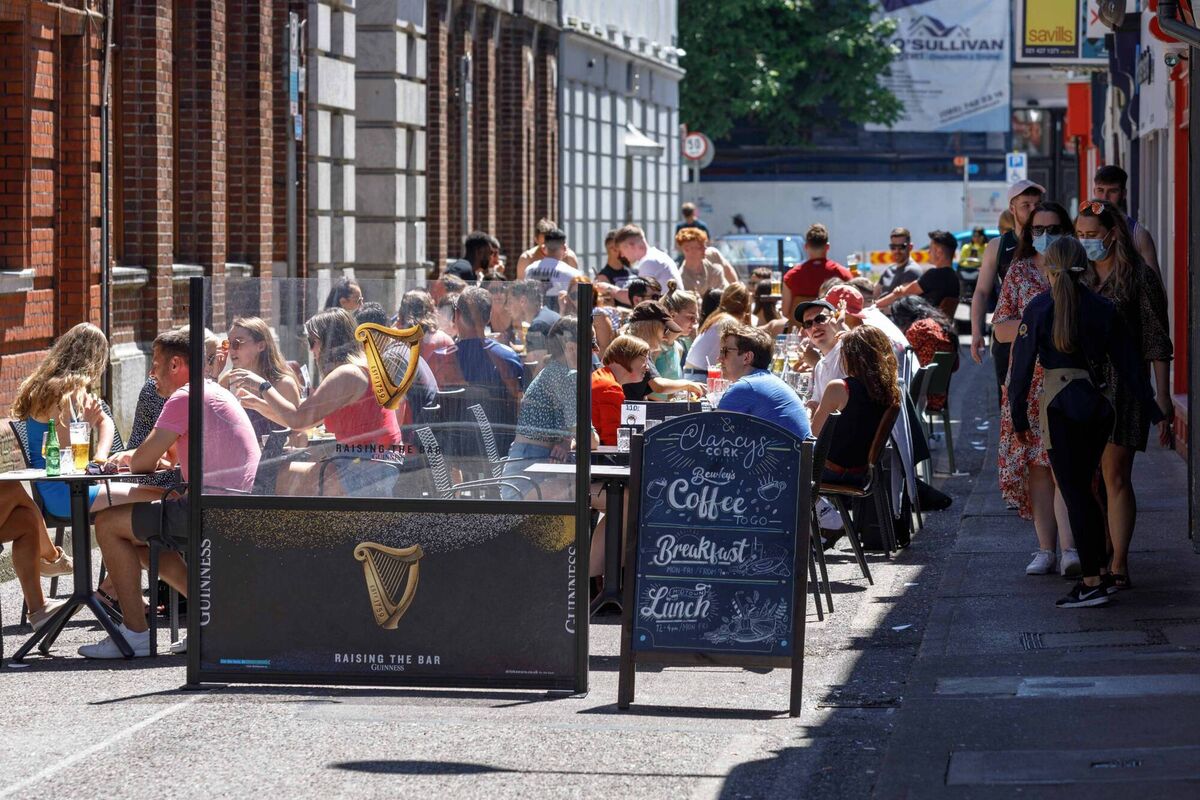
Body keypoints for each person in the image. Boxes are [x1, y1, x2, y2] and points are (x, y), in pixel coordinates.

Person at [80, 328, 261, 658]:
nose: (151, 374)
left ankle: (133, 634)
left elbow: (144, 462)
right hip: (231, 503)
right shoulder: (211, 392)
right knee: (140, 537)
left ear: (176, 364)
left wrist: (127, 458)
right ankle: (217, 617)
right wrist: (141, 459)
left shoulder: (183, 397)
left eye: (156, 364)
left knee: (108, 523)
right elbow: (174, 460)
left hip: (206, 506)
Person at [1009, 237, 1154, 608]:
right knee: (1087, 491)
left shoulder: (1040, 308)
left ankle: (1091, 580)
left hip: (1059, 405)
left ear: (1049, 268)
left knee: (1076, 495)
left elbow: (1022, 370)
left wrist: (1018, 415)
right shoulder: (1103, 307)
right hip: (1098, 404)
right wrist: (1151, 407)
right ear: (1083, 266)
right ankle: (1100, 573)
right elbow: (1129, 364)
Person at [1075, 199, 1173, 590]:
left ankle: (1119, 561)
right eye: (1080, 236)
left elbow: (1156, 338)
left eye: (1093, 236)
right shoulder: (1075, 276)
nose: (1086, 243)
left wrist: (1162, 396)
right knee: (1088, 477)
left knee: (1115, 473)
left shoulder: (1138, 278)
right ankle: (1097, 549)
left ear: (1113, 235)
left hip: (1124, 388)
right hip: (1080, 387)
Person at [233, 308, 403, 497]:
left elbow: (300, 420)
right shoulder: (361, 368)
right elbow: (299, 422)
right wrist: (257, 404)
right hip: (375, 465)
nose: (311, 349)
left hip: (364, 469)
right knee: (279, 471)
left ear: (330, 341)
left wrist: (263, 386)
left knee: (267, 475)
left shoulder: (347, 374)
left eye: (312, 342)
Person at [992, 201, 1077, 576]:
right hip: (1027, 381)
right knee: (1037, 468)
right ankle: (1046, 549)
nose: (1045, 236)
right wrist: (1039, 323)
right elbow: (1000, 328)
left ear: (1067, 230)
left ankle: (1071, 548)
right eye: (1038, 229)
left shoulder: (1080, 271)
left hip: (1070, 380)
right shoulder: (1020, 270)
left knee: (1066, 464)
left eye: (1054, 228)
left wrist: (1032, 326)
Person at [11, 322, 162, 519]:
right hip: (62, 493)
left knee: (162, 495)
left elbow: (105, 421)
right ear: (94, 359)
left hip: (81, 485)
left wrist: (99, 459)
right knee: (163, 497)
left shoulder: (76, 389)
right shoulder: (57, 393)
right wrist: (87, 425)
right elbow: (66, 457)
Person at [970, 180, 1045, 396]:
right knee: (1009, 403)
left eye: (1037, 205)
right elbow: (982, 292)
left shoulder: (1051, 242)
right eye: (1025, 205)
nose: (1032, 210)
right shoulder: (998, 246)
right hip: (1009, 333)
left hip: (1045, 333)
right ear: (1012, 209)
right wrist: (976, 332)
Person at [811, 325, 900, 486]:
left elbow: (812, 434)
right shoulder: (890, 391)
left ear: (848, 356)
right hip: (862, 472)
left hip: (831, 472)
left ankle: (822, 511)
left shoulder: (838, 388)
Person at [502, 316, 580, 498]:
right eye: (592, 344)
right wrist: (569, 440)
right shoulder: (566, 376)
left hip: (528, 470)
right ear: (571, 347)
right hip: (526, 482)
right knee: (589, 494)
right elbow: (589, 438)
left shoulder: (553, 370)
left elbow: (571, 432)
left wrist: (566, 441)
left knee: (585, 492)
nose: (597, 350)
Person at [444, 287, 525, 455]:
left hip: (453, 450)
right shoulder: (508, 358)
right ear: (488, 318)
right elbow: (520, 406)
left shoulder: (442, 361)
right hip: (501, 447)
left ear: (457, 316)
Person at [717, 324, 811, 440]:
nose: (719, 358)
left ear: (747, 357)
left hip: (784, 457)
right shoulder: (767, 381)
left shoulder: (745, 387)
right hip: (795, 455)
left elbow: (713, 436)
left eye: (725, 351)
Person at [217, 316, 303, 441]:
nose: (231, 350)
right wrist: (213, 375)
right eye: (228, 344)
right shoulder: (228, 380)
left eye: (237, 343)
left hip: (276, 458)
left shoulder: (284, 384)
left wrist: (258, 404)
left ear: (261, 346)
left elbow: (299, 431)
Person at [621, 301, 705, 401]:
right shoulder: (634, 348)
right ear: (651, 329)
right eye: (664, 329)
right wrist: (688, 384)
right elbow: (659, 386)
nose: (665, 336)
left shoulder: (634, 345)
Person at [891, 296, 958, 413]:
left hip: (920, 396)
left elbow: (900, 355)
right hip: (938, 396)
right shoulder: (941, 324)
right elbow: (955, 366)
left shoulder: (919, 328)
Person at [876, 230, 961, 318]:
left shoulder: (934, 275)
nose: (928, 252)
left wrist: (874, 306)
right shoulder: (954, 278)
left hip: (920, 325)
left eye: (930, 248)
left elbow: (901, 293)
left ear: (939, 252)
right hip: (939, 325)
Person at [1093, 165, 1159, 276]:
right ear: (1094, 191)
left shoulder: (1138, 235)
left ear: (1123, 194)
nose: (1105, 197)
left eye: (1112, 191)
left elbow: (1156, 288)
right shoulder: (1082, 231)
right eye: (1100, 190)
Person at [782, 223, 851, 320]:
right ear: (827, 247)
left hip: (799, 330)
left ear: (806, 246)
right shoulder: (843, 274)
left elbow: (785, 312)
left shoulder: (791, 276)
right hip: (832, 331)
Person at [683, 283, 753, 378]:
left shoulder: (718, 317)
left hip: (694, 374)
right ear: (746, 305)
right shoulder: (729, 321)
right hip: (701, 376)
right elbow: (736, 357)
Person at [591, 335, 651, 445]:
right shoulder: (610, 387)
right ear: (627, 356)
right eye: (644, 359)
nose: (647, 367)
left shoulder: (603, 378)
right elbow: (612, 442)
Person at [399, 288, 460, 387]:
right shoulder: (444, 340)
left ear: (402, 312)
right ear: (431, 310)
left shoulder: (395, 341)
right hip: (438, 399)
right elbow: (453, 381)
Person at [524, 227, 583, 308]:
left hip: (533, 317)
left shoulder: (529, 270)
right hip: (560, 318)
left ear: (544, 248)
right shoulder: (573, 274)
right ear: (564, 247)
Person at [614, 224, 682, 290]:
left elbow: (641, 297)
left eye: (621, 250)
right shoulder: (657, 255)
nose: (621, 255)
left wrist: (612, 290)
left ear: (631, 245)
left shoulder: (648, 262)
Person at [510, 278, 561, 358]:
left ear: (523, 301)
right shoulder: (547, 316)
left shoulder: (538, 326)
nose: (507, 307)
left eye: (510, 302)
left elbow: (536, 366)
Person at [515, 218, 581, 277]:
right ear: (536, 240)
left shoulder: (569, 257)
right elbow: (521, 288)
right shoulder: (527, 259)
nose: (548, 248)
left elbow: (576, 285)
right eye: (544, 244)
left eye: (552, 244)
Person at [875, 227, 925, 299]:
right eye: (893, 247)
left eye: (902, 247)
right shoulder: (888, 270)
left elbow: (900, 301)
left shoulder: (912, 271)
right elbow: (874, 294)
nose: (896, 251)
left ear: (910, 247)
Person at [676, 227, 728, 294]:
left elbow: (729, 272)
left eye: (704, 245)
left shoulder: (712, 256)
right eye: (700, 247)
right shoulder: (682, 279)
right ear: (686, 249)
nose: (705, 249)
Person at [595, 227, 637, 306]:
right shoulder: (603, 277)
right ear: (611, 249)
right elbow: (608, 306)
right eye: (619, 247)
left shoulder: (634, 272)